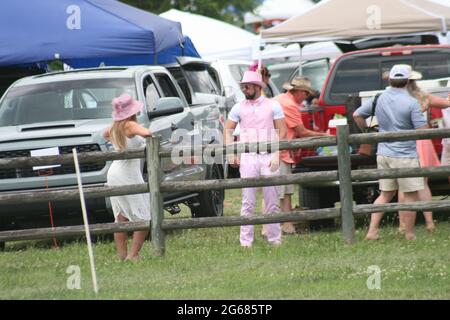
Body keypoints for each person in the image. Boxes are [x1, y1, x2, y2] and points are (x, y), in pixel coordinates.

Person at [353, 64, 428, 241]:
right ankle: (409, 234)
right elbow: (423, 131)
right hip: (405, 155)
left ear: (390, 80)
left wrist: (368, 131)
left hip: (384, 153)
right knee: (410, 195)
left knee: (385, 194)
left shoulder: (379, 97)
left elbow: (357, 115)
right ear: (408, 81)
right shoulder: (411, 102)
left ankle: (372, 231)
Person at [224, 71, 287, 248]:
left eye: (248, 85)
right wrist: (231, 152)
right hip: (249, 156)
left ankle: (275, 239)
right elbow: (228, 129)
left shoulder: (273, 105)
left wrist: (276, 154)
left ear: (258, 87)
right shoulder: (238, 107)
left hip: (268, 154)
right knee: (248, 201)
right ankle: (245, 242)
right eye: (243, 86)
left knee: (272, 200)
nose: (245, 88)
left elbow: (282, 131)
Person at [274, 76, 330, 234]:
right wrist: (325, 136)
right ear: (299, 92)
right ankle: (270, 227)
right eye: (306, 94)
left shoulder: (280, 99)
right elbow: (302, 132)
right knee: (276, 191)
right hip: (279, 150)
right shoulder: (290, 105)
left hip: (280, 149)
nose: (307, 97)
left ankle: (287, 225)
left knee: (285, 190)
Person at [397, 70, 450, 233]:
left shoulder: (395, 99)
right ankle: (429, 222)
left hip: (404, 141)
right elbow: (446, 103)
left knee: (403, 185)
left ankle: (403, 225)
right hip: (423, 140)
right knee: (423, 183)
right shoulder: (423, 96)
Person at [103, 93, 152, 261]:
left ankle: (122, 255)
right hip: (127, 174)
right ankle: (133, 254)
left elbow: (104, 134)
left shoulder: (114, 127)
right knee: (144, 217)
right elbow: (147, 132)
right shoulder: (130, 125)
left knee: (121, 218)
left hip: (115, 172)